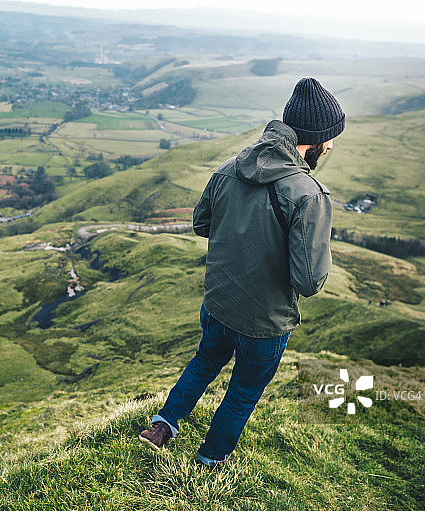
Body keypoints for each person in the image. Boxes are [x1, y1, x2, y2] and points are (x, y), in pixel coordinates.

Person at [139, 77, 344, 466]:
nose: (331, 146)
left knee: (203, 362)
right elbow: (309, 281)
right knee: (242, 393)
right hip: (264, 321)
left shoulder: (230, 166)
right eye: (330, 138)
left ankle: (162, 425)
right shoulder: (308, 194)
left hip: (218, 302)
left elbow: (202, 223)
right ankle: (210, 460)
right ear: (313, 140)